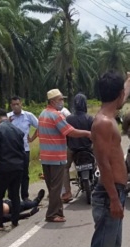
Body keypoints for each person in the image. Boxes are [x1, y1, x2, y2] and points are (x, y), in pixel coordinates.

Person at [85, 70, 130, 247]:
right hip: (109, 193)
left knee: (112, 243)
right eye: (123, 92)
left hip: (117, 190)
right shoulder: (103, 124)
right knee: (101, 242)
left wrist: (129, 79)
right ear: (117, 95)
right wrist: (114, 199)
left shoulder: (111, 113)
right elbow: (104, 163)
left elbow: (123, 95)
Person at [36, 89, 91, 223]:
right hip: (56, 156)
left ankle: (58, 211)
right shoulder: (56, 115)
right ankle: (52, 214)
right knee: (56, 187)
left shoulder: (43, 114)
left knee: (52, 186)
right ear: (53, 101)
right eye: (60, 99)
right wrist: (87, 133)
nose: (62, 102)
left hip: (45, 156)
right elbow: (69, 131)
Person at [0, 109, 26, 231]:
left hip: (4, 167)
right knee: (15, 194)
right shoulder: (18, 131)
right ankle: (15, 221)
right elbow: (22, 150)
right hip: (18, 166)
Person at [62, 93, 94, 202]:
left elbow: (65, 135)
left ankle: (68, 192)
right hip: (88, 148)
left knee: (65, 168)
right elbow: (94, 135)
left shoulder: (68, 119)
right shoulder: (89, 118)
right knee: (101, 161)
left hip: (73, 149)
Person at [7, 97, 39, 202]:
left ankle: (25, 196)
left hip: (24, 149)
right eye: (13, 104)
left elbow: (40, 126)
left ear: (21, 104)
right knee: (11, 174)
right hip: (11, 150)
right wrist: (7, 122)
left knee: (24, 173)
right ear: (11, 106)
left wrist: (32, 138)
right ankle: (12, 197)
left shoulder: (28, 116)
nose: (16, 106)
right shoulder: (8, 117)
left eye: (17, 104)